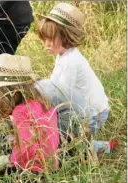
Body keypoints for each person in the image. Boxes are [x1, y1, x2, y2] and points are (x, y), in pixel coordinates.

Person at [37, 3, 115, 153]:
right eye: (44, 38)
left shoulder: (71, 62)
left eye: (51, 38)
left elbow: (62, 100)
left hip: (92, 116)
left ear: (66, 36)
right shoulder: (64, 56)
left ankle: (101, 147)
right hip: (84, 109)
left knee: (58, 142)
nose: (46, 44)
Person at [0, 53, 60, 174]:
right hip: (51, 165)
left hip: (34, 170)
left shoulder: (20, 111)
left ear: (11, 91)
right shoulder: (42, 101)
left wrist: (11, 160)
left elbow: (25, 149)